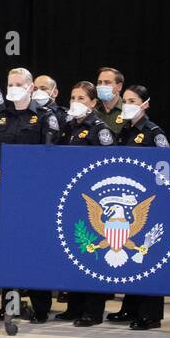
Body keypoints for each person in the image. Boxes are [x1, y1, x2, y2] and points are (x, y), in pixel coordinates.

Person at [0, 67, 58, 323]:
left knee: (36, 247)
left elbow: (50, 155)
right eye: (10, 83)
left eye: (18, 83)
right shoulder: (0, 117)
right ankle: (10, 304)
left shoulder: (44, 117)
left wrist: (28, 178)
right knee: (7, 248)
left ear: (30, 87)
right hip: (5, 193)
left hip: (35, 195)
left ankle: (41, 307)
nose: (13, 87)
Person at [105, 85, 168, 330]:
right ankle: (130, 308)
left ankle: (150, 315)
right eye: (126, 100)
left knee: (147, 257)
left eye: (133, 100)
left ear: (145, 103)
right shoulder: (124, 131)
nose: (128, 104)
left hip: (149, 203)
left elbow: (166, 166)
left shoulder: (154, 133)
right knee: (133, 261)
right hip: (127, 201)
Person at [56, 81, 116, 324]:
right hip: (70, 199)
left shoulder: (99, 129)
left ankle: (93, 310)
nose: (76, 102)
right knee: (74, 252)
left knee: (93, 254)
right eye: (73, 97)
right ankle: (74, 305)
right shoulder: (68, 126)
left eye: (81, 98)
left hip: (93, 200)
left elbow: (107, 164)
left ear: (93, 103)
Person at [93, 67, 126, 132]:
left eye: (107, 82)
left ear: (119, 87)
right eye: (99, 82)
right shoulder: (91, 109)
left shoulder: (129, 110)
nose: (102, 86)